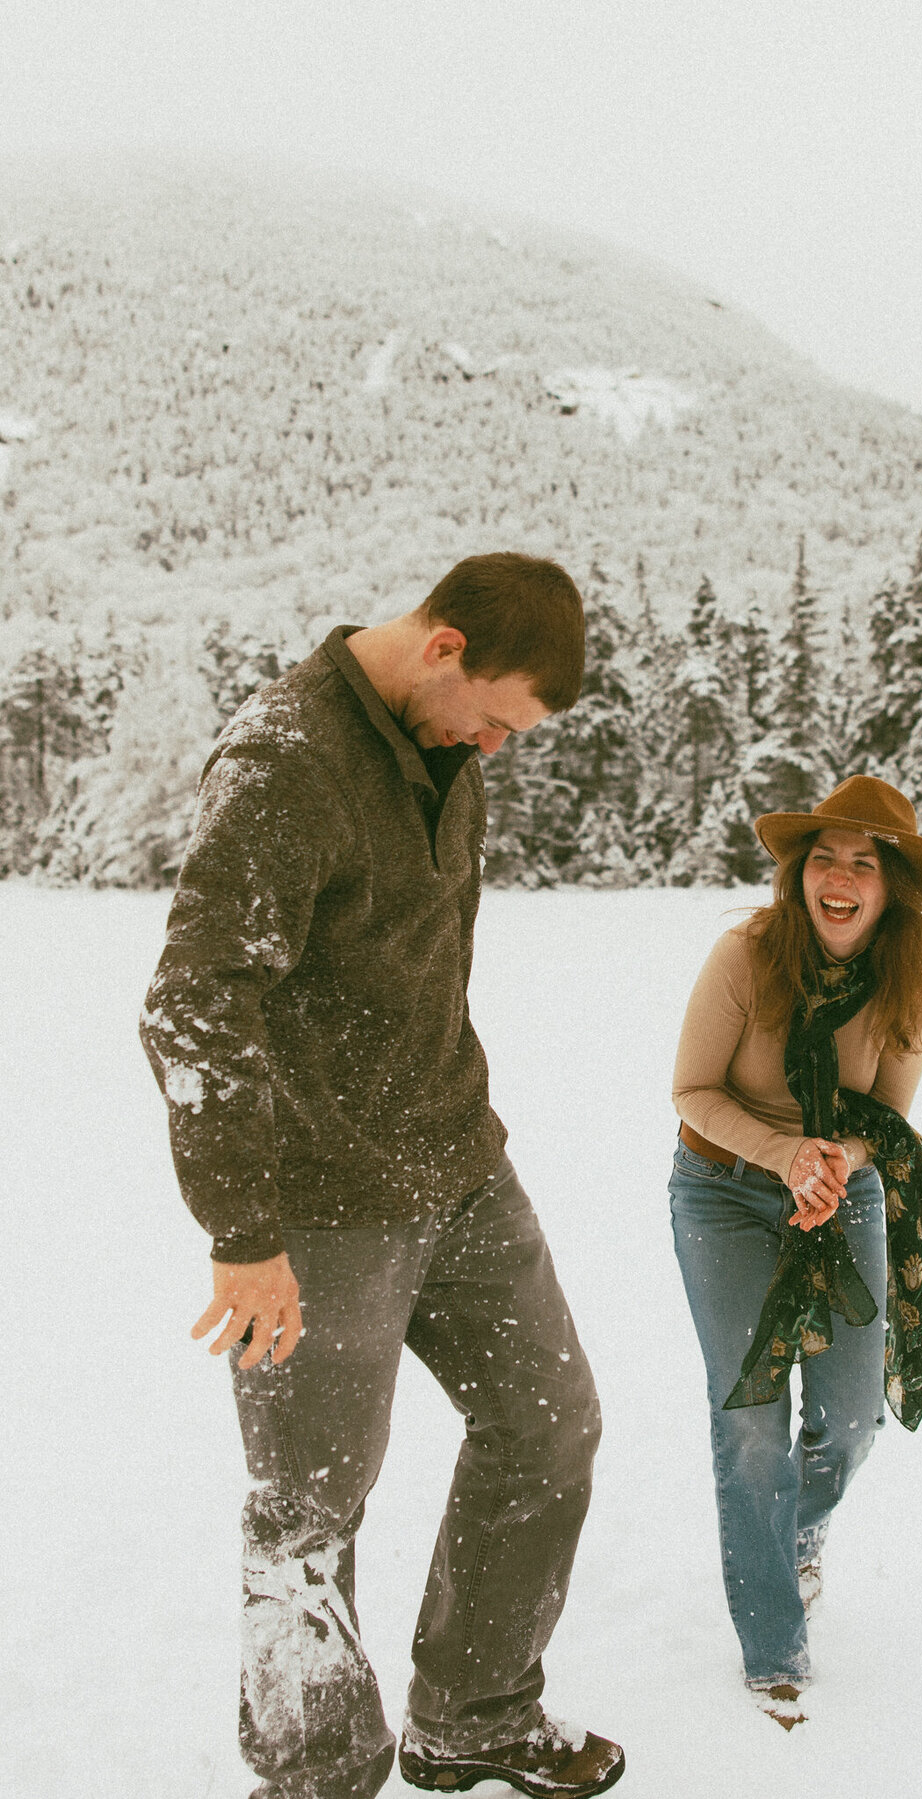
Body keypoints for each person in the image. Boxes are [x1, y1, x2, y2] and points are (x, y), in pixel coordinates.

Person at [140, 553, 625, 1799]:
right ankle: (312, 1775)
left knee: (548, 1421)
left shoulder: (444, 749)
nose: (501, 748)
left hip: (458, 1165)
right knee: (308, 1512)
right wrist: (244, 1228)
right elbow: (194, 1004)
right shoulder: (286, 759)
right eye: (500, 718)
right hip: (317, 1208)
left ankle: (472, 1712)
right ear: (445, 647)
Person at [668, 775, 922, 1728]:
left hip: (845, 1190)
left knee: (851, 1413)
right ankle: (773, 1642)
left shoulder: (907, 977)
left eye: (863, 863)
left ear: (892, 889)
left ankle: (797, 1529)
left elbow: (889, 1116)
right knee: (750, 1413)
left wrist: (836, 1164)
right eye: (824, 857)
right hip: (720, 1188)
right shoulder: (747, 956)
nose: (839, 877)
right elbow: (694, 1091)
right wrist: (786, 1152)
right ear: (800, 873)